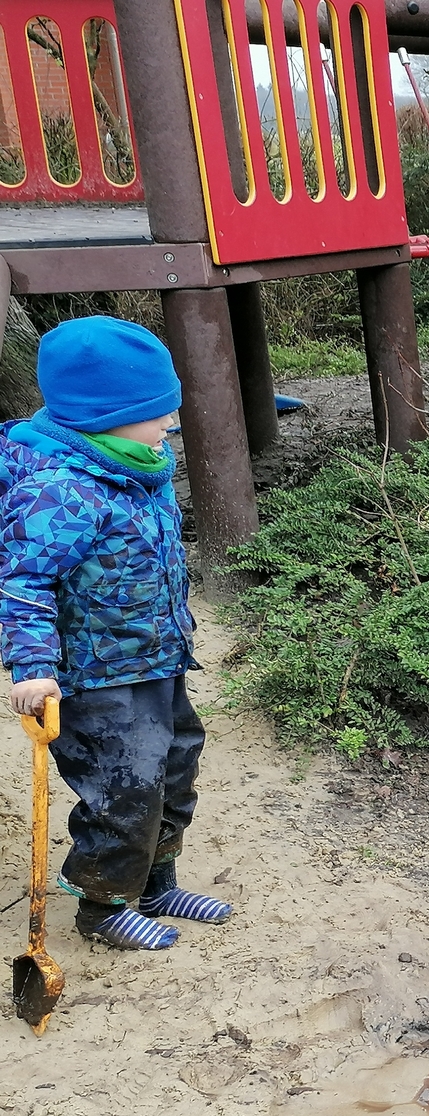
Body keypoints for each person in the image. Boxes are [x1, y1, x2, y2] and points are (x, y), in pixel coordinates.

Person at [0, 317, 231, 951]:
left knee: (176, 766)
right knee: (124, 785)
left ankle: (156, 882)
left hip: (156, 657)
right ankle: (103, 906)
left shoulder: (138, 461)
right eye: (157, 412)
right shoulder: (58, 489)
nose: (170, 425)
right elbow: (22, 584)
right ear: (103, 415)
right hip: (94, 675)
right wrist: (33, 667)